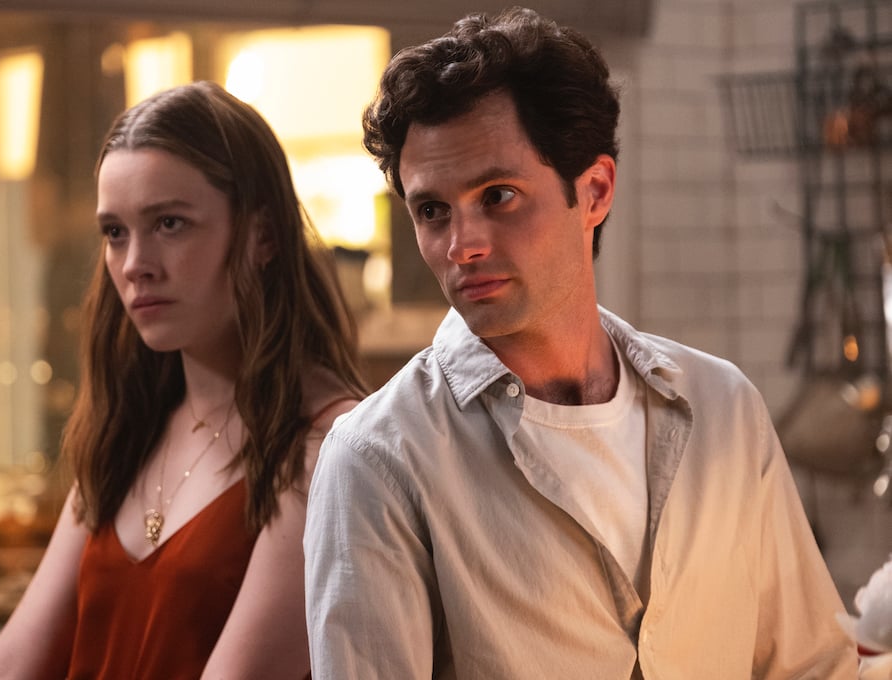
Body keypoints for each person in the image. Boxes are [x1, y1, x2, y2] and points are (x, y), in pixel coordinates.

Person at [303, 7, 857, 679]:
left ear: (593, 192)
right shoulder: (378, 460)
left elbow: (813, 667)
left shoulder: (722, 407)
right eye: (432, 211)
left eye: (497, 196)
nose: (461, 245)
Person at [0, 80, 368, 679]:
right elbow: (9, 665)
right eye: (115, 232)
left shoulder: (326, 445)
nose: (135, 265)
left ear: (262, 235)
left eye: (170, 224)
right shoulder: (128, 431)